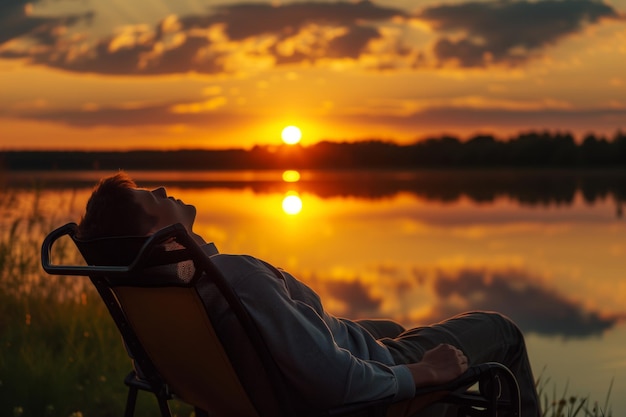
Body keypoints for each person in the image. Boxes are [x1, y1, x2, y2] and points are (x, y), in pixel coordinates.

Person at [77, 172, 541, 417]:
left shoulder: (173, 295)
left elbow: (156, 372)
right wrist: (422, 373)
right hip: (344, 396)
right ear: (162, 237)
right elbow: (336, 383)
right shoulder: (234, 279)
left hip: (283, 387)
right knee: (501, 331)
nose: (160, 189)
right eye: (147, 198)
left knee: (389, 329)